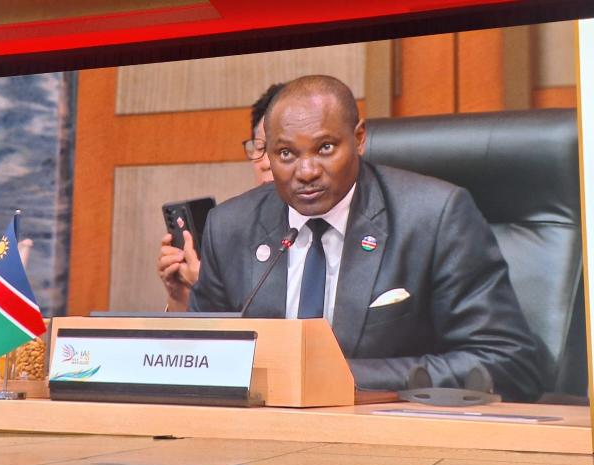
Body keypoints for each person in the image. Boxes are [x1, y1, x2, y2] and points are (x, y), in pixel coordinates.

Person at [187, 75, 543, 401]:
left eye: (325, 148)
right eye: (286, 154)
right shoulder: (229, 227)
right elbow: (202, 358)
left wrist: (337, 376)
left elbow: (506, 363)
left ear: (358, 138)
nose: (306, 171)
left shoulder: (434, 216)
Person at [157, 83, 285, 311]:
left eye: (280, 149)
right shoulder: (228, 230)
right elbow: (194, 342)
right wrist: (181, 296)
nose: (265, 163)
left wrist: (207, 289)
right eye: (259, 147)